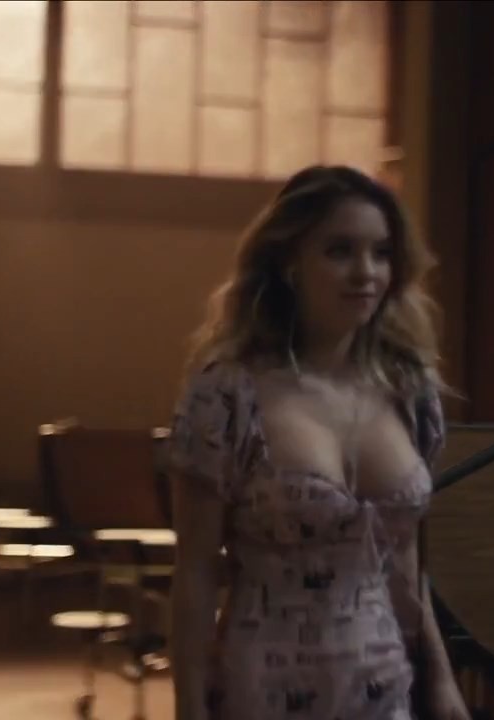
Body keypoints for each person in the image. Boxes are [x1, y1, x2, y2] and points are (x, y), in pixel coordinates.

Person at [167, 164, 470, 720]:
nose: (366, 272)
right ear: (290, 262)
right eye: (340, 251)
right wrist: (188, 706)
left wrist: (441, 677)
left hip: (384, 686)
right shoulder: (229, 393)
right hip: (263, 690)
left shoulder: (409, 391)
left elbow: (404, 559)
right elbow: (195, 570)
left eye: (381, 253)